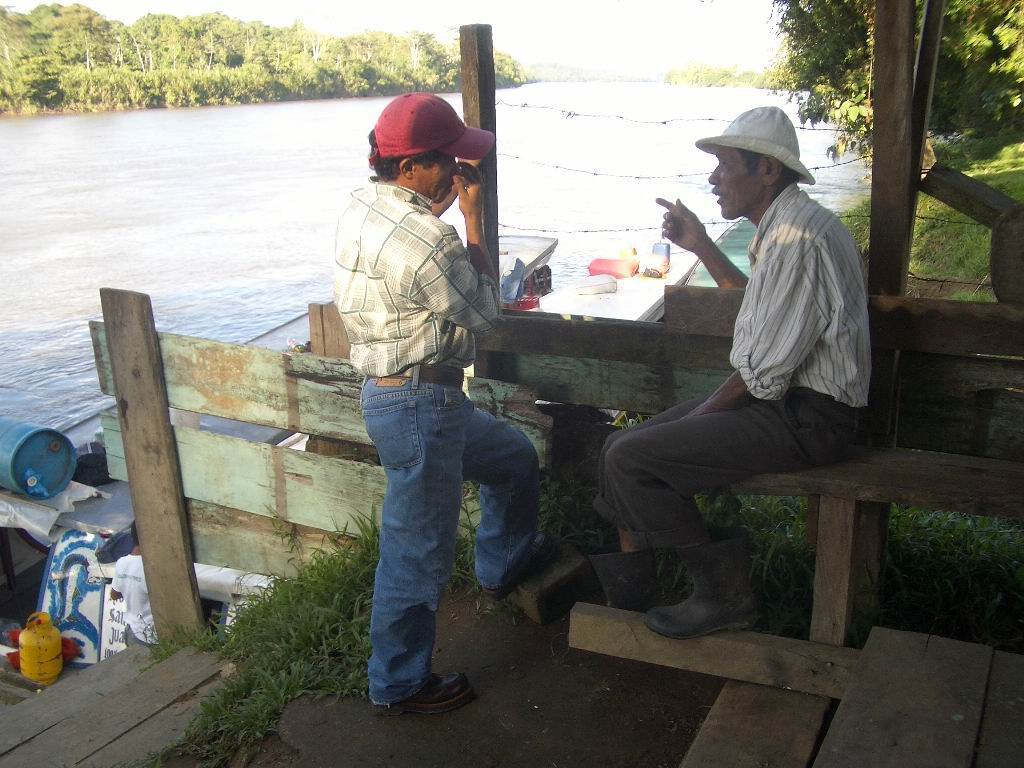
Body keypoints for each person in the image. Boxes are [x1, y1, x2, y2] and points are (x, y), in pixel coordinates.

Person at [590, 106, 871, 639]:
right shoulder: (785, 227)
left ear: (767, 170)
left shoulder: (798, 240)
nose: (713, 178)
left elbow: (762, 373)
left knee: (633, 453)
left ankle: (724, 597)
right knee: (616, 447)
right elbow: (758, 308)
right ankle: (637, 591)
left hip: (808, 417)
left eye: (723, 165)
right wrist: (699, 243)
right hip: (786, 406)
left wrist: (698, 416)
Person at [334, 92, 552, 715]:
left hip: (403, 396)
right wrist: (474, 219)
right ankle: (399, 684)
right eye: (449, 163)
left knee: (511, 459)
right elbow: (488, 314)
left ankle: (501, 566)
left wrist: (442, 210)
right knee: (416, 553)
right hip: (420, 406)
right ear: (410, 169)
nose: (460, 173)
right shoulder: (428, 241)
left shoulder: (362, 206)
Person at [109, 522, 156, 646]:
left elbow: (114, 594)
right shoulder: (153, 567)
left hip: (133, 633)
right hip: (154, 638)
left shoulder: (122, 562)